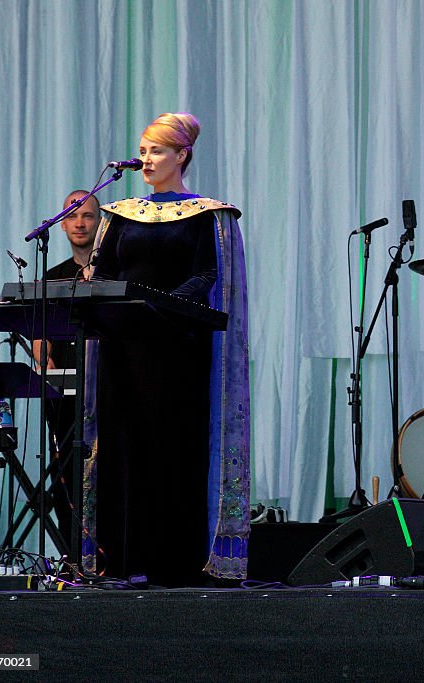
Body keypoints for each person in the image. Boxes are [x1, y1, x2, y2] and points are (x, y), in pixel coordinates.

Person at [82, 112, 250, 586]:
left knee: (172, 450)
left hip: (177, 352)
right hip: (123, 351)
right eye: (143, 150)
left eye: (156, 150)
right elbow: (106, 272)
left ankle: (173, 561)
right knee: (123, 446)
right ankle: (120, 557)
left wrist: (164, 306)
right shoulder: (120, 213)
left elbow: (206, 275)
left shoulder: (207, 215)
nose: (146, 159)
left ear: (182, 156)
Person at [32, 191, 99, 544]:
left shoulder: (111, 275)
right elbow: (39, 340)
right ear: (60, 223)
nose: (79, 222)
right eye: (72, 215)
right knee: (65, 474)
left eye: (87, 215)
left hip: (104, 391)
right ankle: (71, 553)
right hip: (63, 394)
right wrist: (49, 370)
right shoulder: (52, 278)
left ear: (100, 221)